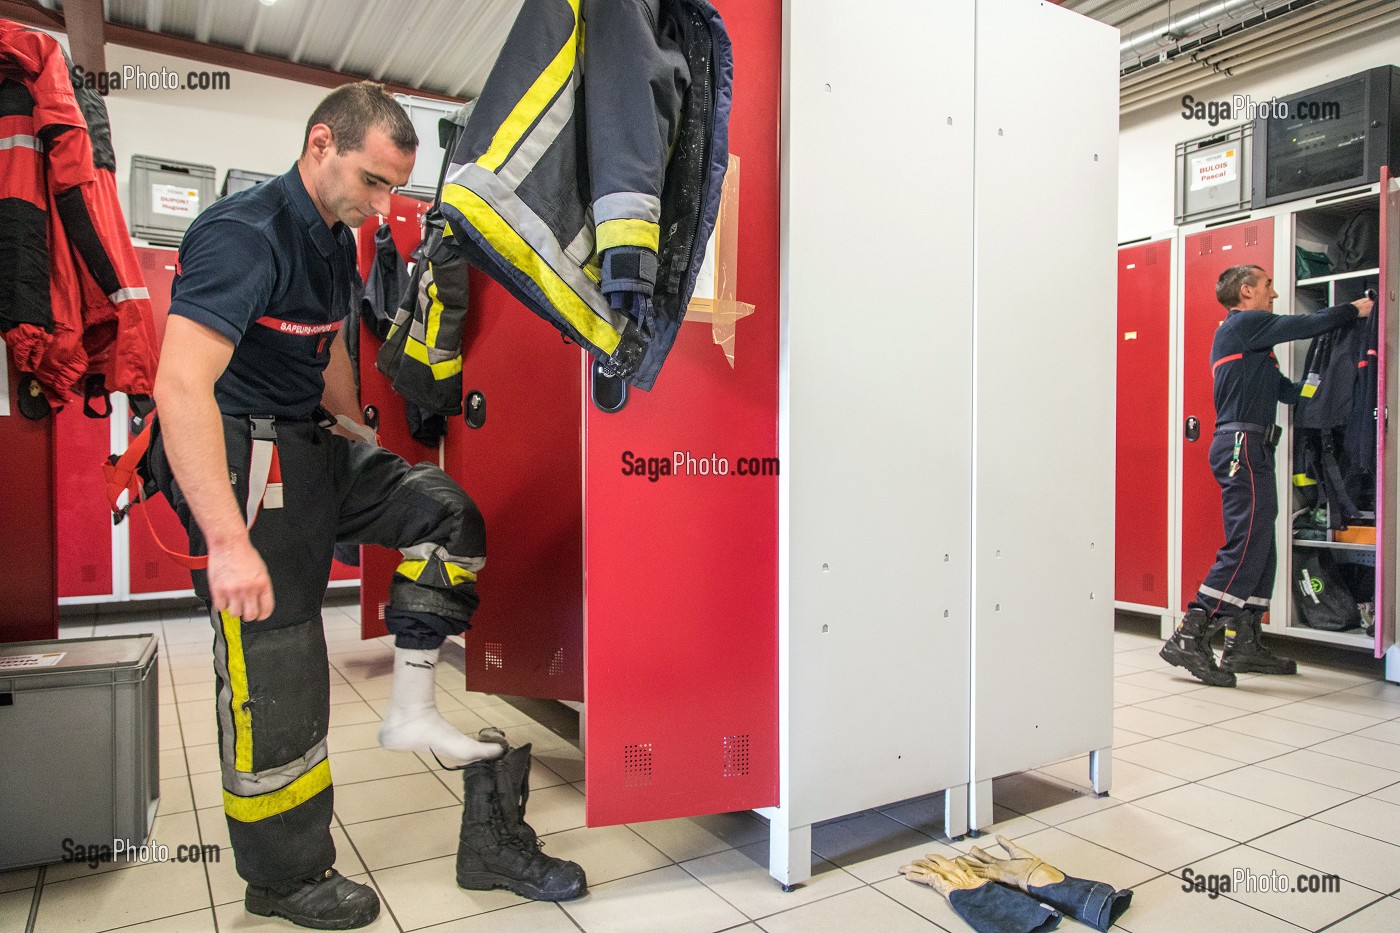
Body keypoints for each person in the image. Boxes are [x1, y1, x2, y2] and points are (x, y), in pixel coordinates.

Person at [149, 82, 581, 929]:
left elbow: (330, 346)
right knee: (279, 664)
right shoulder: (244, 235)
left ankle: (412, 709)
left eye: (394, 188)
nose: (384, 207)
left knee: (448, 514)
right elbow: (179, 385)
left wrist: (356, 435)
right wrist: (228, 540)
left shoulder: (335, 239)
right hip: (248, 458)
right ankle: (285, 876)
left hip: (315, 445)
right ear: (322, 144)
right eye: (374, 181)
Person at [1161, 264, 1372, 687]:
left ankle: (1243, 642)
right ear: (1246, 291)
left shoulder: (1253, 345)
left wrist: (1333, 380)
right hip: (1242, 446)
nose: (1273, 294)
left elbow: (1289, 392)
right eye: (1267, 286)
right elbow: (1306, 324)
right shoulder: (1243, 325)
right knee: (1245, 544)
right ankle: (1191, 632)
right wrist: (1354, 310)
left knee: (1261, 544)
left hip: (1251, 448)